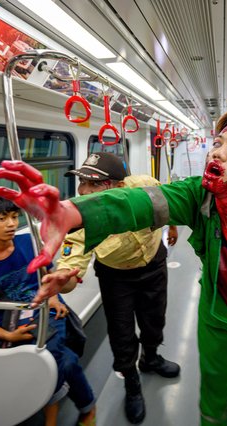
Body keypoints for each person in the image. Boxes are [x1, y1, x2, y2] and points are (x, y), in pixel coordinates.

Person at [0, 107, 227, 426]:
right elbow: (139, 204)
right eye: (217, 142)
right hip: (218, 307)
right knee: (213, 382)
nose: (216, 151)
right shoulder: (200, 197)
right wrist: (71, 212)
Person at [49, 152, 180, 424]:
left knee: (154, 319)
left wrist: (171, 226)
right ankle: (132, 384)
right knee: (121, 333)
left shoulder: (144, 184)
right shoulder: (81, 217)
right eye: (81, 182)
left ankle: (151, 358)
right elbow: (71, 267)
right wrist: (63, 279)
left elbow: (166, 205)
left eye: (94, 184)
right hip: (116, 277)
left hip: (153, 263)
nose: (84, 191)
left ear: (120, 187)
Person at [0, 197, 96, 426]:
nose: (11, 224)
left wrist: (55, 297)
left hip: (44, 311)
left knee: (52, 351)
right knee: (65, 361)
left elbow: (48, 279)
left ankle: (51, 417)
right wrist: (8, 336)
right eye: (2, 218)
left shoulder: (30, 243)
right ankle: (86, 407)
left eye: (14, 217)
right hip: (7, 328)